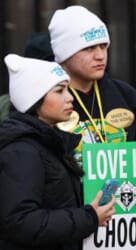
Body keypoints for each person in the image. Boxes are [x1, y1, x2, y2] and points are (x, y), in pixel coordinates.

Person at [47, 5, 136, 249]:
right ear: (64, 54)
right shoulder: (48, 100)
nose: (100, 55)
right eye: (88, 48)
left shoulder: (125, 95)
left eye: (103, 46)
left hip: (129, 230)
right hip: (70, 233)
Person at [0, 54, 116, 250]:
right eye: (60, 91)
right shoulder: (22, 150)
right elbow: (21, 221)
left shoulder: (47, 143)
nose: (70, 97)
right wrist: (89, 217)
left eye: (68, 90)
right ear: (35, 99)